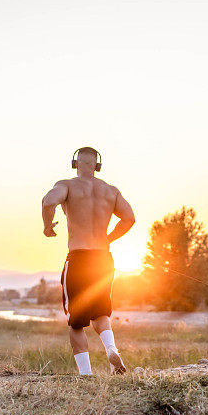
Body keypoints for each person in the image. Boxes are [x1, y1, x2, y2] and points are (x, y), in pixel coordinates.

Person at [41, 147, 135, 375]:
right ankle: (111, 348)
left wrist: (47, 226)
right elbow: (129, 218)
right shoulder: (110, 190)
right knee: (101, 313)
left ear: (76, 163)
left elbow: (47, 202)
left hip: (79, 258)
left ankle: (86, 376)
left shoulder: (67, 185)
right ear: (97, 166)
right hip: (103, 258)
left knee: (76, 322)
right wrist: (108, 238)